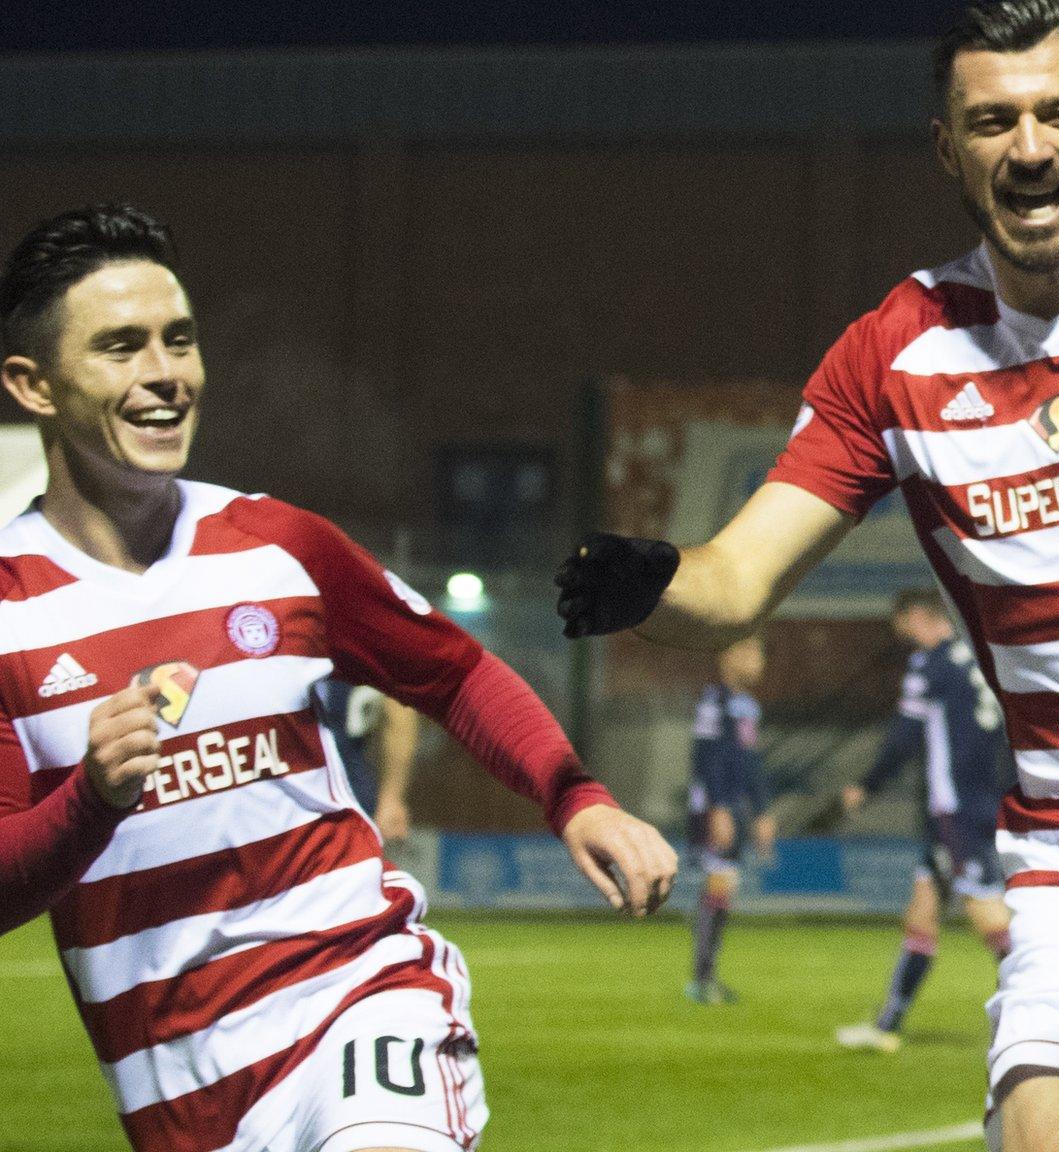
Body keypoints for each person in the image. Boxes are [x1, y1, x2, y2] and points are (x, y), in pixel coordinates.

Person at [556, 2, 1059, 1145]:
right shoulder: (893, 356)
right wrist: (650, 580)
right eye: (993, 121)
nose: (1029, 147)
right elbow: (734, 581)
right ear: (948, 146)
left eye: (1056, 114)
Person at [0, 204, 678, 1152]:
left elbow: (454, 673)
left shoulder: (278, 546)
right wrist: (92, 801)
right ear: (32, 385)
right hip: (179, 1097)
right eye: (121, 347)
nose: (165, 375)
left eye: (180, 341)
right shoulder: (7, 614)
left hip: (359, 1001)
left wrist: (578, 798)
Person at [836, 587, 1013, 1054]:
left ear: (918, 618)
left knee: (986, 911)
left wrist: (867, 784)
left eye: (905, 629)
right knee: (921, 912)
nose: (905, 640)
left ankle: (1049, 1013)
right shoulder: (976, 659)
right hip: (979, 800)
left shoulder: (928, 665)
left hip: (954, 807)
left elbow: (905, 736)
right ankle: (888, 1023)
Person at [686, 634, 778, 1004]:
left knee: (725, 885)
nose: (757, 661)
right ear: (727, 657)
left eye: (760, 652)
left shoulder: (747, 706)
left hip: (734, 806)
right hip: (713, 806)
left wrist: (763, 811)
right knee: (720, 882)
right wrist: (719, 807)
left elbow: (750, 763)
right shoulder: (715, 702)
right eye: (749, 652)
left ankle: (706, 976)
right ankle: (701, 980)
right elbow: (705, 757)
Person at [314, 679, 422, 843]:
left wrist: (391, 797)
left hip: (338, 794)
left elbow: (397, 713)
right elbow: (398, 712)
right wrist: (392, 797)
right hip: (348, 796)